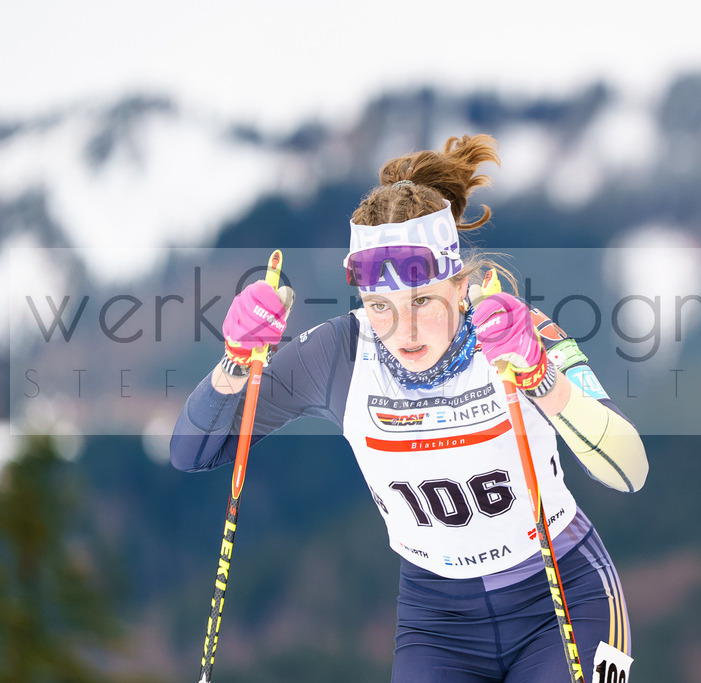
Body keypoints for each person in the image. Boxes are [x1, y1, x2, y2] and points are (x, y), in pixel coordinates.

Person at [170, 134, 648, 682]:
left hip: (562, 596)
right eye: (380, 306)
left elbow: (629, 469)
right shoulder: (340, 355)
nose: (405, 328)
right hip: (438, 623)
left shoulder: (517, 334)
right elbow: (191, 452)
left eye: (422, 299)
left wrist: (543, 379)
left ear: (459, 283)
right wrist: (234, 364)